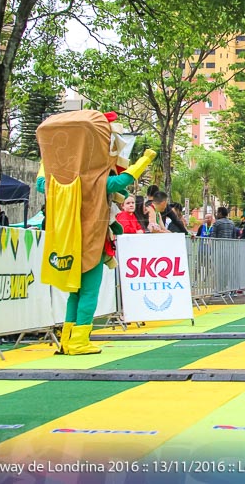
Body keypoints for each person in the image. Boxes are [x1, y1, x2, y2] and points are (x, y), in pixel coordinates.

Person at [36, 111, 155, 355]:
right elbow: (122, 181)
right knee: (89, 293)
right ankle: (79, 341)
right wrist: (145, 159)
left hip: (66, 244)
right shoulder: (96, 180)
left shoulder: (54, 181)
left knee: (74, 294)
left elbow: (40, 181)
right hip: (90, 243)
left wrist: (48, 160)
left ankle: (68, 340)